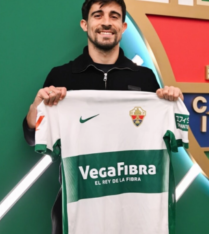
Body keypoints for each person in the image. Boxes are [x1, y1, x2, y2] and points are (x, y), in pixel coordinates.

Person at [22, 0, 183, 233]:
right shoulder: (62, 76)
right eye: (98, 15)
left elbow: (167, 134)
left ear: (123, 27)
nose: (106, 22)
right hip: (77, 209)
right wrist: (37, 106)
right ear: (85, 24)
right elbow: (31, 138)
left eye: (114, 16)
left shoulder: (145, 78)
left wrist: (170, 101)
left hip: (135, 210)